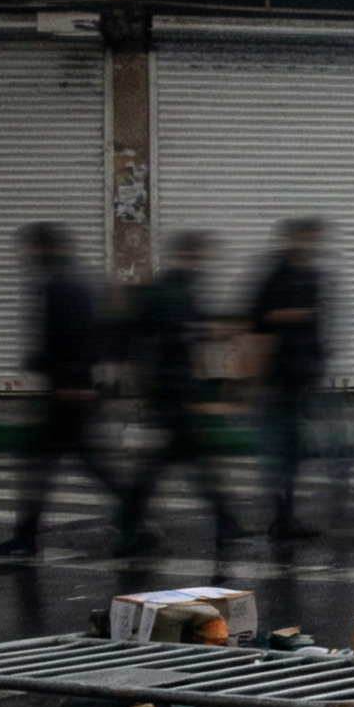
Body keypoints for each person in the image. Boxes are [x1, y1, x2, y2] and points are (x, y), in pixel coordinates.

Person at [0, 223, 122, 557]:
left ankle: (25, 538)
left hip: (68, 392)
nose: (24, 254)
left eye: (29, 247)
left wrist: (73, 382)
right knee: (84, 463)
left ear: (43, 247)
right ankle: (136, 518)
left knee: (42, 467)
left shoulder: (66, 284)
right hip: (68, 389)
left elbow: (77, 337)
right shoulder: (67, 280)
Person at [112, 231, 247, 554]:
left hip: (169, 390)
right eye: (200, 251)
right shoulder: (173, 293)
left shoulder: (177, 288)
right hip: (173, 391)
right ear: (189, 253)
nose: (205, 258)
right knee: (191, 461)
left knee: (167, 461)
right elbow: (176, 339)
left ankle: (130, 515)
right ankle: (223, 520)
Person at [249, 218, 330, 542]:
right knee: (282, 449)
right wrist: (259, 380)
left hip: (304, 374)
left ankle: (286, 515)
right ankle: (282, 517)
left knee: (294, 448)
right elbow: (258, 322)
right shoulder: (276, 277)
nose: (311, 245)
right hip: (280, 377)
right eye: (307, 237)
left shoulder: (310, 276)